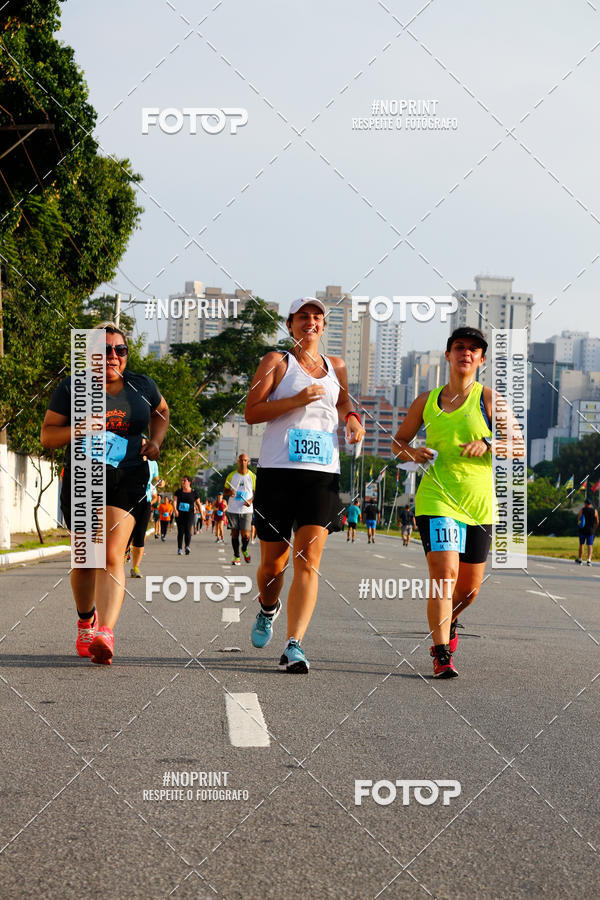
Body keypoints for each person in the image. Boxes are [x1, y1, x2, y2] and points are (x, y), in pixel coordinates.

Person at [392, 326, 524, 678]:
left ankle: (450, 623)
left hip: (478, 505)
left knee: (468, 590)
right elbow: (398, 442)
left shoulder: (491, 401)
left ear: (481, 360)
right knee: (444, 575)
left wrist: (490, 444)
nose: (466, 353)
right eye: (460, 347)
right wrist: (412, 452)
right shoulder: (426, 401)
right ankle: (440, 654)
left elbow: (518, 446)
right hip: (437, 500)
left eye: (474, 349)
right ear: (448, 355)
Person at [245, 296, 365, 673]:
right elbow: (252, 412)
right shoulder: (277, 362)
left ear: (324, 326)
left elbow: (344, 402)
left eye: (317, 317)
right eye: (302, 317)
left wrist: (353, 420)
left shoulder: (337, 366)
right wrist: (296, 400)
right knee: (272, 566)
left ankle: (294, 643)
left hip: (322, 474)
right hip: (278, 472)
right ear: (290, 323)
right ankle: (268, 608)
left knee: (308, 561)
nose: (310, 322)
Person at [40, 323, 169, 665]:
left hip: (127, 477)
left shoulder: (142, 386)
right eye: (105, 350)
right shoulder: (73, 388)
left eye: (120, 350)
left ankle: (105, 632)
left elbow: (162, 412)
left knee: (112, 553)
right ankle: (86, 621)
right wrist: (81, 427)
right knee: (86, 558)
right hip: (84, 476)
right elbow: (48, 436)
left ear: (127, 354)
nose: (113, 356)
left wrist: (155, 442)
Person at [129, 459, 160, 577]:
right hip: (129, 500)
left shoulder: (153, 463)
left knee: (140, 535)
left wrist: (161, 483)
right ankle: (117, 564)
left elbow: (157, 479)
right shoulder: (130, 456)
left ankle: (135, 567)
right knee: (126, 533)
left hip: (145, 502)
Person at [224, 453, 256, 565]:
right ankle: (236, 556)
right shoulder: (231, 475)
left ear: (248, 462)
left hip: (246, 510)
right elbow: (225, 490)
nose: (243, 462)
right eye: (241, 460)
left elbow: (256, 492)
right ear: (238, 461)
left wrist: (251, 501)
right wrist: (230, 492)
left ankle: (244, 549)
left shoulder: (252, 476)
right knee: (234, 534)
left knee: (246, 535)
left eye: (245, 460)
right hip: (233, 509)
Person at [173, 475, 200, 555]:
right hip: (180, 514)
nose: (183, 482)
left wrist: (202, 514)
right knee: (180, 531)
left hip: (189, 514)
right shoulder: (178, 492)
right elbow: (175, 501)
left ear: (189, 482)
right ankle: (179, 548)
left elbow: (198, 503)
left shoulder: (194, 492)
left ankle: (187, 546)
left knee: (188, 530)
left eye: (185, 480)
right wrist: (175, 510)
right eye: (182, 480)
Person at [576, 499, 598, 565]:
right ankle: (589, 560)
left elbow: (578, 519)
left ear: (585, 503)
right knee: (590, 545)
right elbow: (597, 521)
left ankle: (580, 559)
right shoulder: (595, 511)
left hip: (582, 530)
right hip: (591, 530)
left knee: (581, 544)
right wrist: (594, 528)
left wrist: (579, 525)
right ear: (590, 504)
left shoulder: (582, 510)